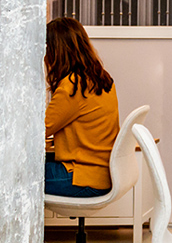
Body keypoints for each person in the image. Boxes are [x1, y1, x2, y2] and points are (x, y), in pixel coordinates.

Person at [45, 17, 120, 197]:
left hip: (81, 177)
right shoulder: (100, 78)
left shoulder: (71, 87)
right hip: (102, 173)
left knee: (13, 173)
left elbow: (39, 131)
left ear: (55, 51)